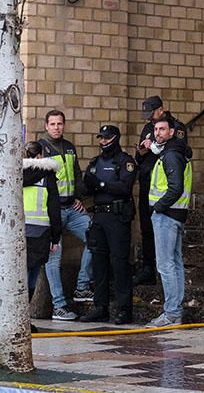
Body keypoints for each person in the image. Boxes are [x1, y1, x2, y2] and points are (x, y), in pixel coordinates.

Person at [79, 125, 137, 325]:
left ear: (115, 138)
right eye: (101, 138)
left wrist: (101, 185)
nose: (103, 141)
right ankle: (100, 307)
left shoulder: (125, 162)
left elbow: (125, 187)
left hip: (117, 217)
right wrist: (86, 185)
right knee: (98, 263)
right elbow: (87, 187)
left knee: (120, 263)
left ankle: (124, 309)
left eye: (106, 138)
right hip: (99, 216)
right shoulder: (95, 163)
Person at [39, 109, 93, 320]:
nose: (57, 127)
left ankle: (81, 287)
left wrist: (78, 197)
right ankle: (59, 306)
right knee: (54, 258)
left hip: (72, 208)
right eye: (52, 124)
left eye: (60, 124)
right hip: (52, 211)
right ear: (46, 126)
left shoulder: (69, 147)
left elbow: (77, 175)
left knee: (96, 238)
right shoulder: (41, 148)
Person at [133, 95, 186, 286]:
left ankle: (168, 292)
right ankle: (148, 267)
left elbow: (178, 150)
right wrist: (141, 152)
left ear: (161, 110)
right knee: (146, 228)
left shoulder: (175, 128)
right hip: (148, 183)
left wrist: (154, 147)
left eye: (152, 114)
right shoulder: (149, 128)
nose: (150, 120)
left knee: (169, 253)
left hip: (166, 191)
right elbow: (139, 158)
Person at [145, 115, 192, 328]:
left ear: (171, 132)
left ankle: (171, 312)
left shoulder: (171, 155)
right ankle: (175, 311)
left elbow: (175, 188)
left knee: (165, 265)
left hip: (167, 215)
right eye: (156, 130)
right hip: (176, 214)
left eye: (162, 129)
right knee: (175, 263)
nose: (158, 133)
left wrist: (158, 207)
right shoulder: (177, 152)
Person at [22, 143, 63, 303]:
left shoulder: (15, 173)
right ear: (40, 156)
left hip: (18, 231)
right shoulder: (47, 175)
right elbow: (54, 208)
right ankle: (25, 310)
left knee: (19, 273)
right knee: (32, 274)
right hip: (40, 232)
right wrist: (55, 238)